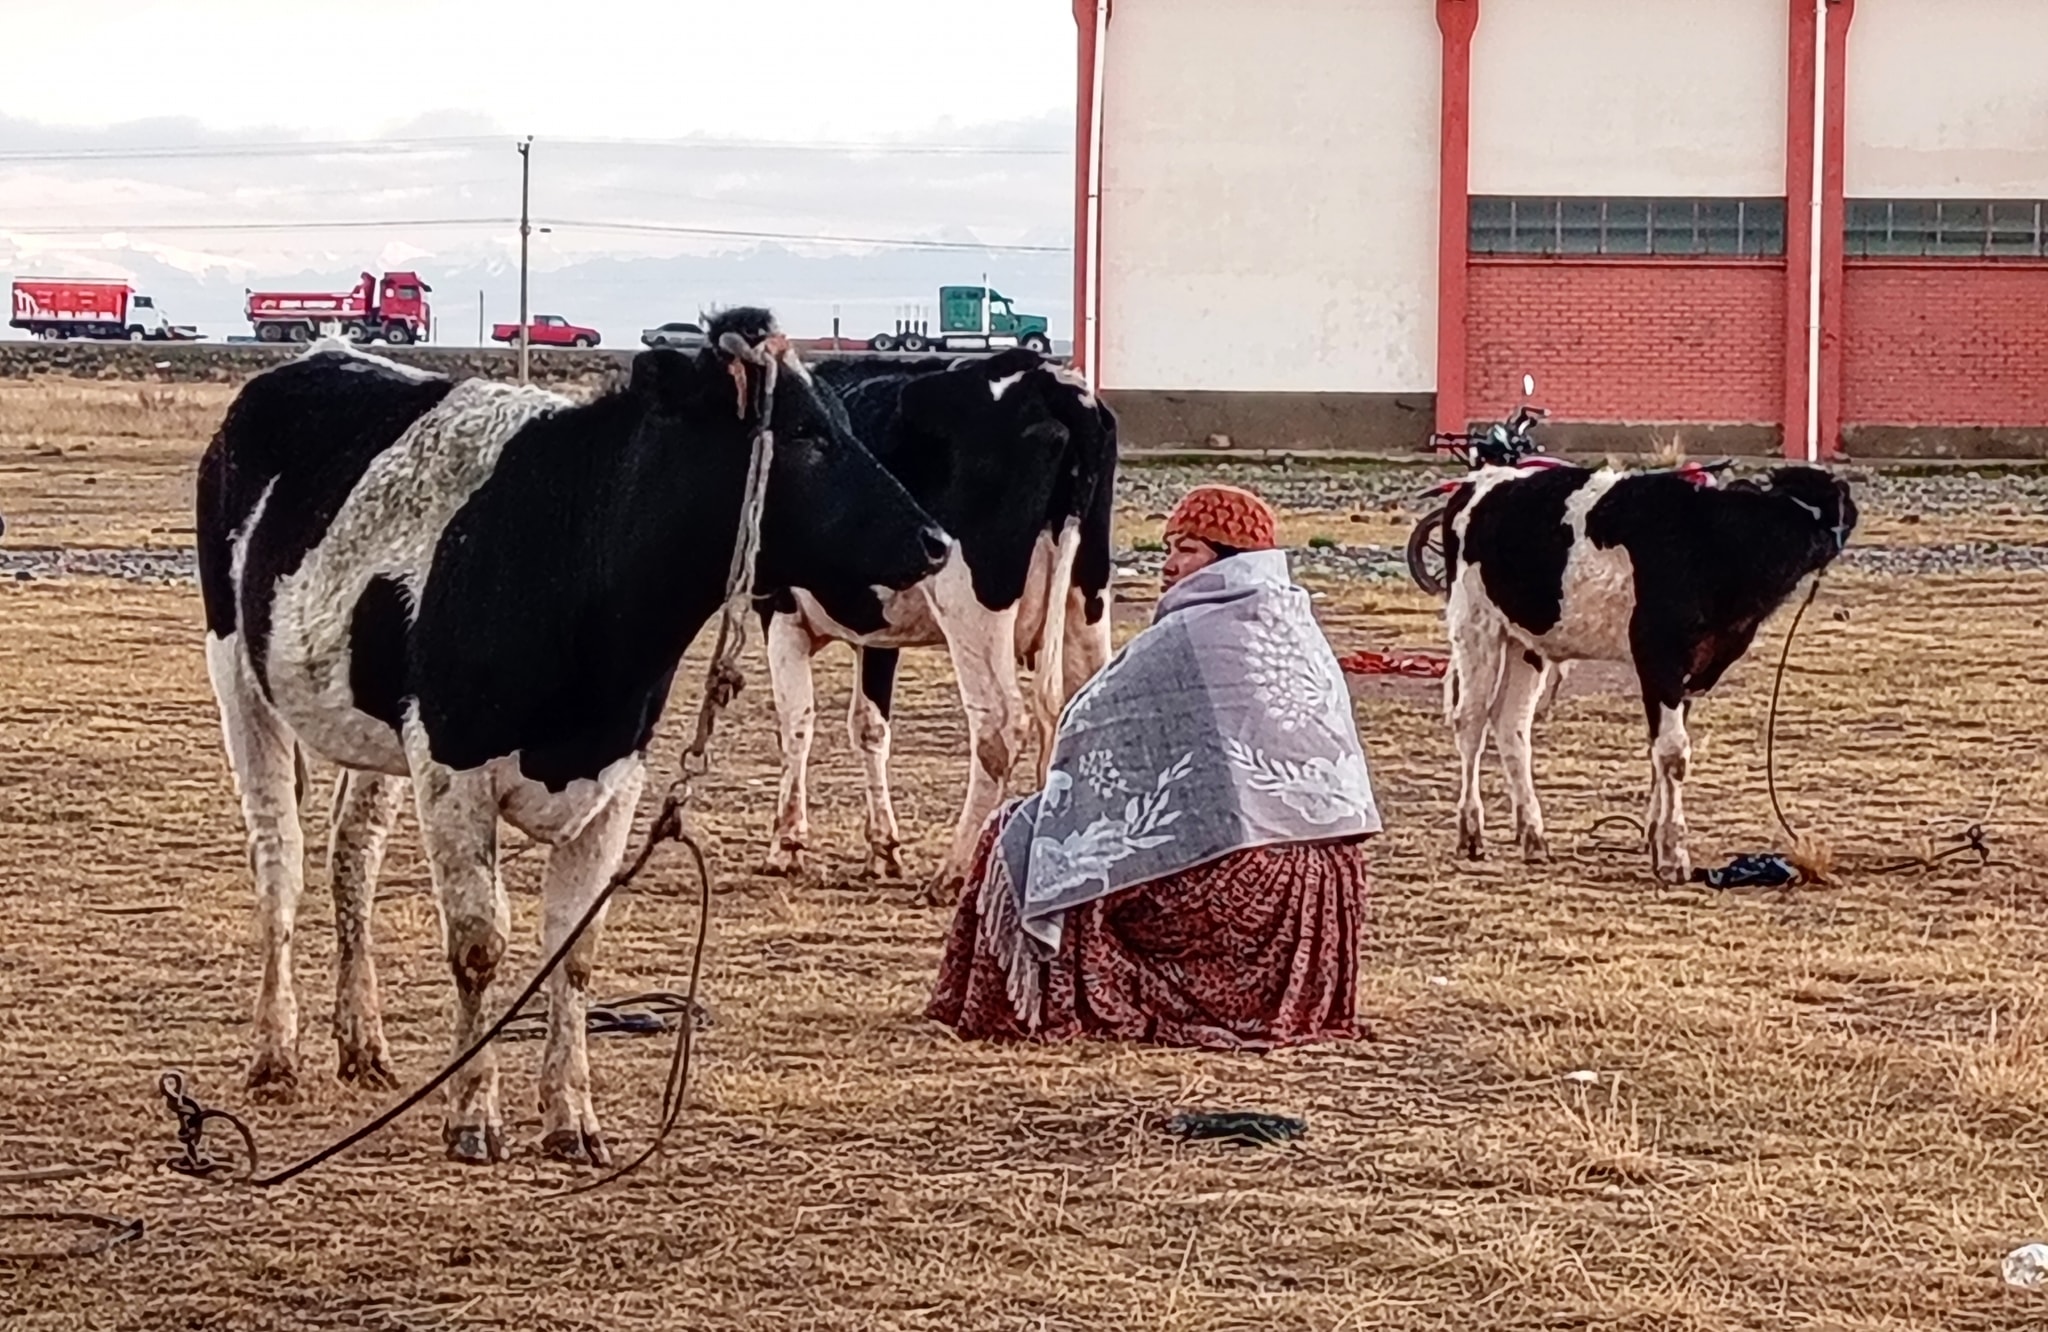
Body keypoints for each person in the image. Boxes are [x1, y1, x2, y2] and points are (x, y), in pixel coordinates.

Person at [928, 483, 1380, 1050]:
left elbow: (1085, 726)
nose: (1167, 566)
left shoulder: (1189, 635)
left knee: (1018, 835)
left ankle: (1016, 1010)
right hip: (1322, 895)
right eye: (1169, 548)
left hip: (1250, 890)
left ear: (1228, 557)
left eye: (1186, 549)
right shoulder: (1297, 626)